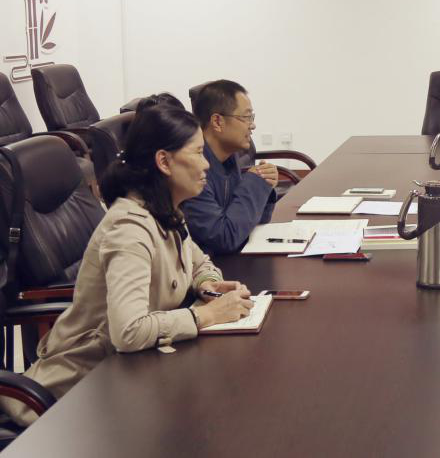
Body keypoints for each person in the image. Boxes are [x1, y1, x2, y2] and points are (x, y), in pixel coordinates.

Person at [0, 101, 255, 426]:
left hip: (133, 373)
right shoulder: (129, 229)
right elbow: (128, 331)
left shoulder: (166, 209)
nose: (206, 164)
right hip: (79, 392)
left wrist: (207, 283)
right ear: (164, 161)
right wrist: (206, 315)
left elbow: (198, 260)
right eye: (197, 153)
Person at [182, 80, 277, 254]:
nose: (252, 125)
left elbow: (250, 221)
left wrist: (263, 182)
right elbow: (223, 237)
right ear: (217, 122)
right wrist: (255, 184)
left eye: (252, 117)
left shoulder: (228, 157)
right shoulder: (193, 170)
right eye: (246, 117)